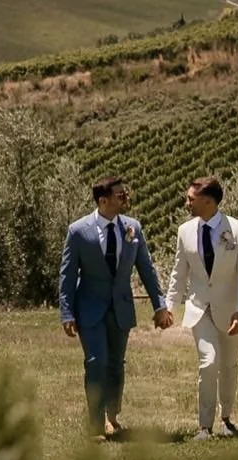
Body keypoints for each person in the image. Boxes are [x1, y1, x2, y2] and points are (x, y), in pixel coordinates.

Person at [58, 176, 169, 439]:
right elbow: (67, 274)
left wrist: (160, 305)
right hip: (89, 309)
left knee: (116, 365)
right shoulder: (78, 231)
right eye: (120, 194)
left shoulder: (133, 229)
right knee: (96, 362)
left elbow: (147, 270)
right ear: (103, 200)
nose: (125, 197)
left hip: (120, 309)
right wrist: (67, 312)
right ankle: (95, 425)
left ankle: (112, 416)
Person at [166, 175, 238, 439]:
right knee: (209, 361)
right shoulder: (185, 231)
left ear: (207, 201)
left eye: (191, 199)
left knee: (228, 365)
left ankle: (225, 418)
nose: (186, 203)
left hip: (230, 310)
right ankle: (204, 426)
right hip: (199, 308)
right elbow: (178, 272)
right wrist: (169, 306)